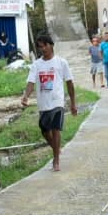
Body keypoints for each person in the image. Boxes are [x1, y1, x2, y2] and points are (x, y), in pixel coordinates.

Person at [19, 33, 77, 172]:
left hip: (57, 101)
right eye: (40, 47)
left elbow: (69, 83)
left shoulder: (61, 63)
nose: (43, 49)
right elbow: (31, 83)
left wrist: (73, 103)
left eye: (45, 45)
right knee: (44, 130)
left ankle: (56, 160)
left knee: (56, 129)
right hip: (43, 103)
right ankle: (56, 149)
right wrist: (26, 96)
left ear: (51, 45)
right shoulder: (36, 65)